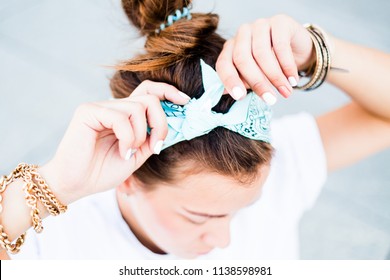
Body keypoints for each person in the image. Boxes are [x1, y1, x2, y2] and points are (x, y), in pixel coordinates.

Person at [1, 0, 390, 260]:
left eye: (239, 213)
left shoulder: (280, 171)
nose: (224, 240)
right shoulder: (53, 239)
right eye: (199, 217)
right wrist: (54, 186)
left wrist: (316, 51)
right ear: (130, 178)